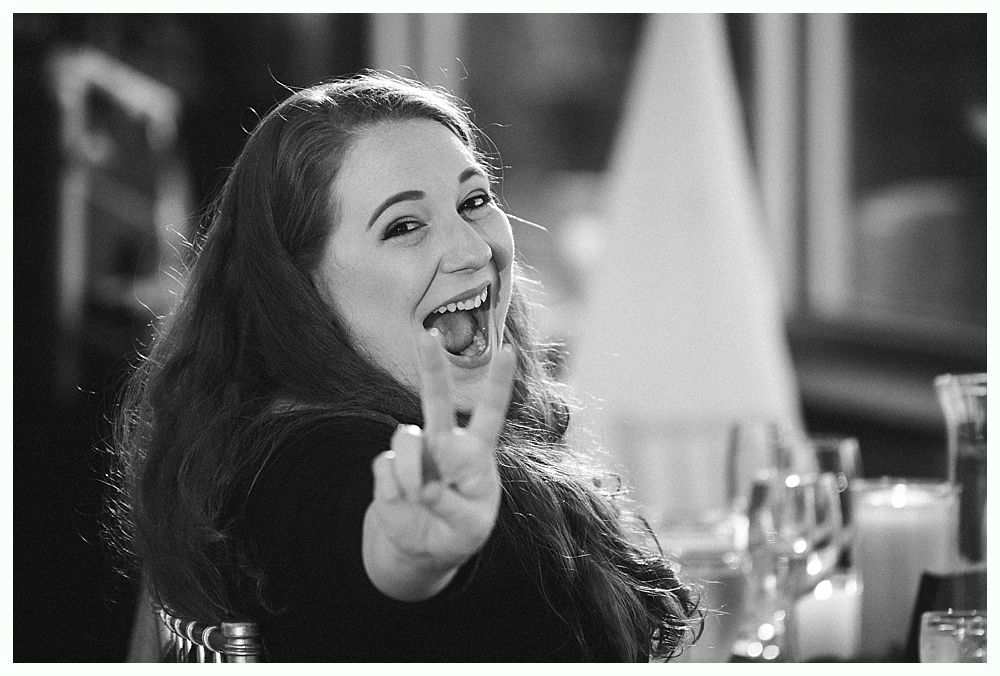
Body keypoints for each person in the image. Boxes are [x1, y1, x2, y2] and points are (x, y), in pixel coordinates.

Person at [110, 71, 701, 662]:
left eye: (474, 202)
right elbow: (340, 512)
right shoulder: (321, 459)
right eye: (404, 227)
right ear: (298, 289)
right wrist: (407, 562)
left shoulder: (241, 437)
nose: (474, 250)